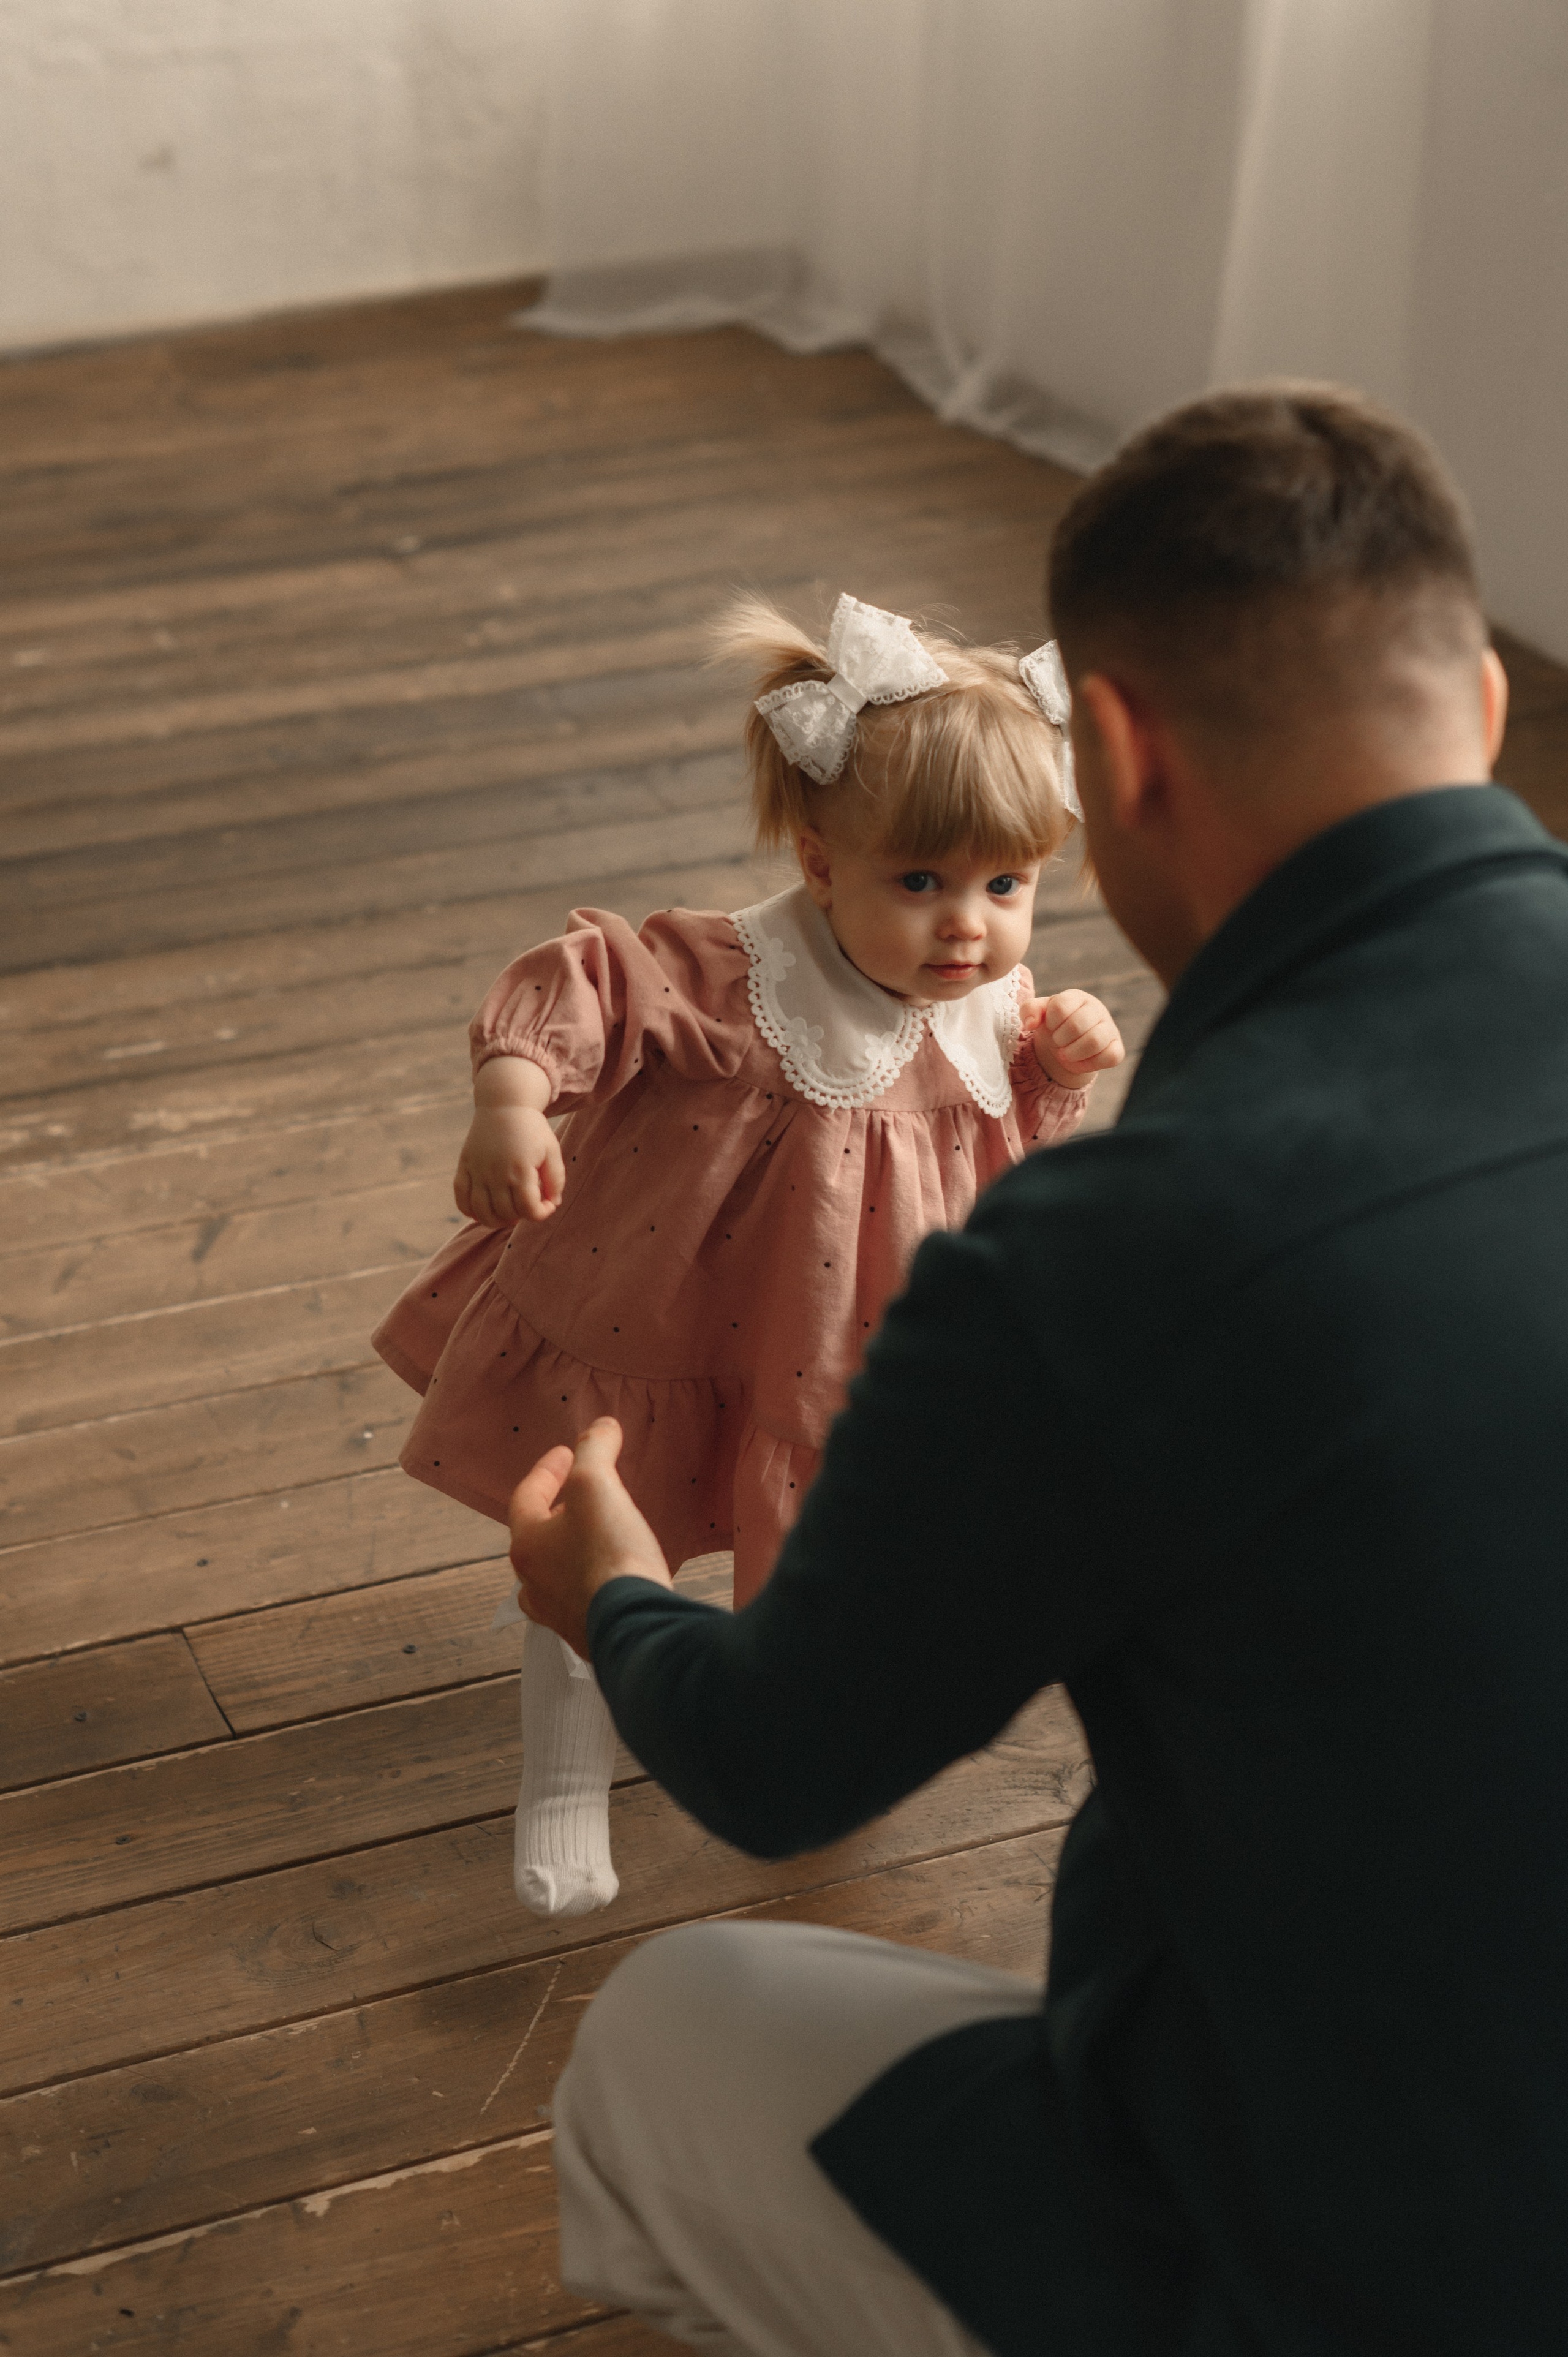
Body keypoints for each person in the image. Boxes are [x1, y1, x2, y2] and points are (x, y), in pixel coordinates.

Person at [508, 383, 1568, 2356]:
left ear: (1124, 762)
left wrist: (622, 1602)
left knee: (670, 2032)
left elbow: (776, 1759)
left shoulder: (1114, 1256)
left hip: (1383, 2259)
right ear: (1487, 716)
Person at [372, 595, 1124, 1917]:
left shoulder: (987, 996)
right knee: (604, 1537)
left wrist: (1050, 1069)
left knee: (837, 1554)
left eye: (1006, 887)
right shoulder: (731, 969)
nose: (969, 928)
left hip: (851, 1354)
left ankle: (790, 1721)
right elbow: (585, 978)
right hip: (660, 1321)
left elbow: (996, 1155)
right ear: (822, 861)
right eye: (922, 883)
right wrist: (511, 1096)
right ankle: (564, 1763)